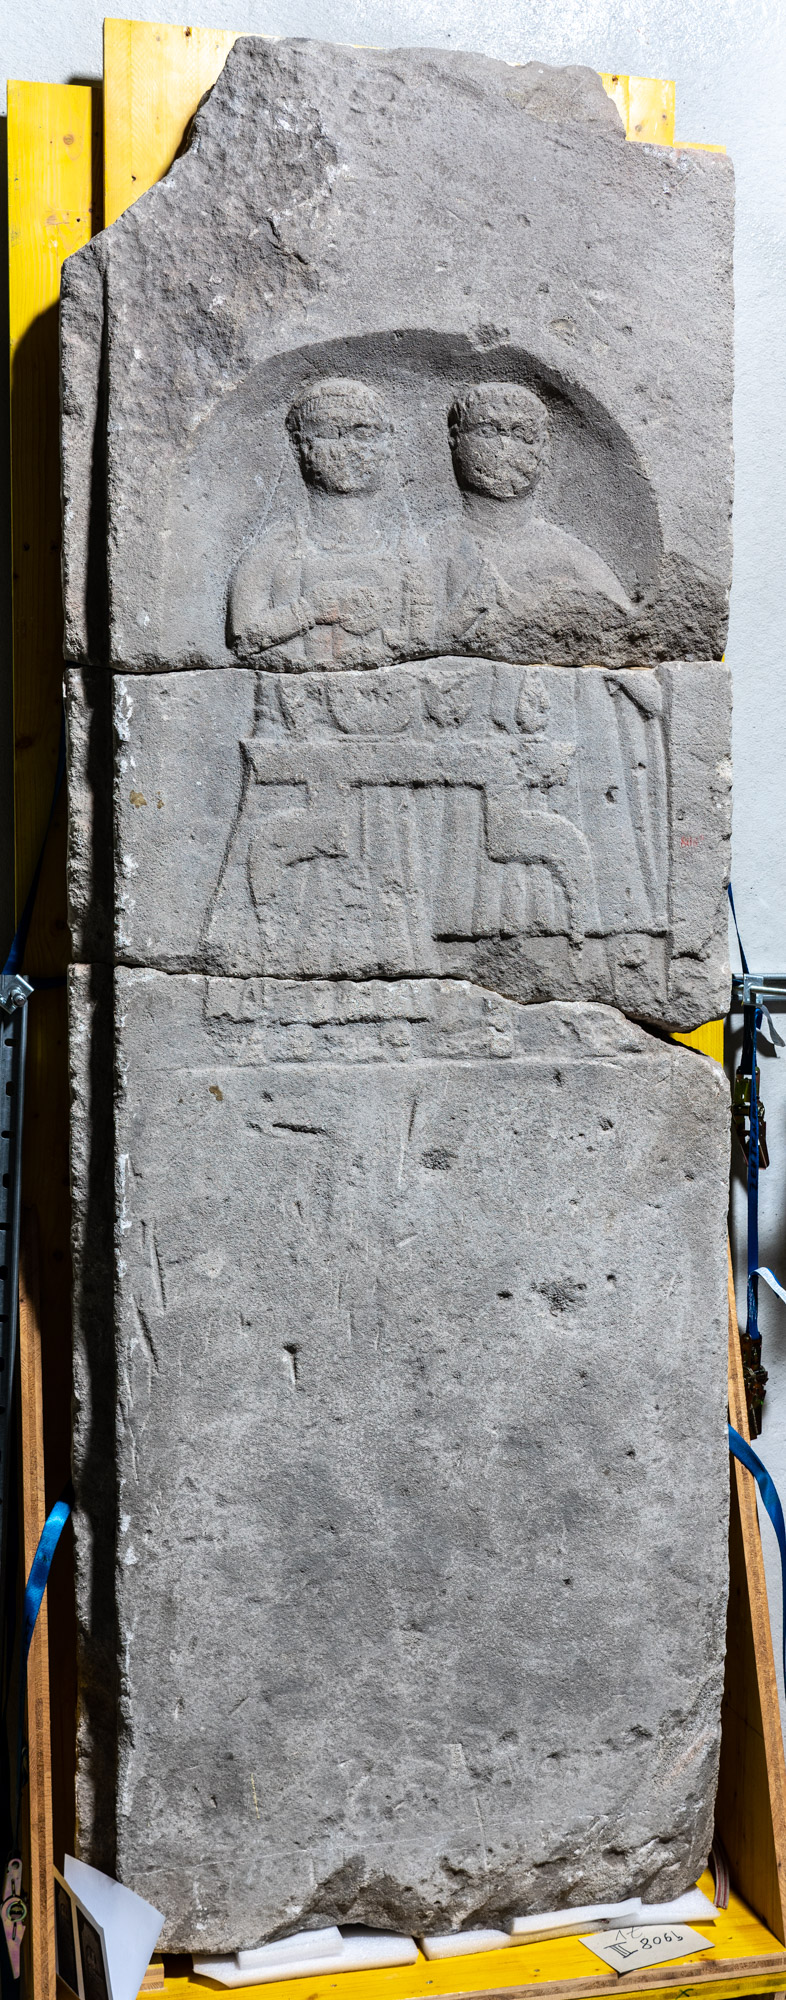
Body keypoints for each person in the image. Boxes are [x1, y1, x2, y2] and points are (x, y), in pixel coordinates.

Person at [228, 377, 433, 668]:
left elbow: (424, 636)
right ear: (300, 445)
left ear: (387, 446)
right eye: (328, 433)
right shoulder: (277, 548)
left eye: (363, 434)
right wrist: (308, 610)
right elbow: (244, 636)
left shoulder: (407, 553)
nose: (347, 447)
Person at [438, 381, 631, 657]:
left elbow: (625, 634)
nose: (504, 447)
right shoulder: (429, 550)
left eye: (521, 434)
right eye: (487, 431)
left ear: (543, 449)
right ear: (455, 439)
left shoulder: (574, 561)